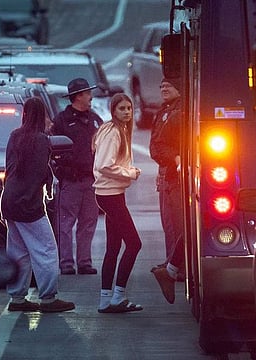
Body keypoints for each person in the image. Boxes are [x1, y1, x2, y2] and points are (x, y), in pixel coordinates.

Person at [1, 97, 75, 313]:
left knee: (18, 251)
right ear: (42, 115)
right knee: (47, 250)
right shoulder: (42, 140)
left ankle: (17, 298)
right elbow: (42, 172)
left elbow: (10, 168)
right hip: (29, 203)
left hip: (9, 200)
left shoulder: (14, 136)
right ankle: (49, 298)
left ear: (24, 114)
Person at [93, 93, 143, 313]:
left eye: (129, 108)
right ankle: (117, 296)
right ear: (113, 111)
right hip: (109, 194)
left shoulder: (117, 130)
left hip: (112, 193)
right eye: (121, 108)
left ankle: (107, 300)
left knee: (113, 247)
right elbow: (104, 164)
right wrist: (130, 173)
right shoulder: (113, 132)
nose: (126, 112)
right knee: (134, 244)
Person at [50, 78, 103, 275]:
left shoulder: (95, 120)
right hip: (71, 181)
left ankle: (84, 262)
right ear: (78, 96)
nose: (91, 97)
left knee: (88, 222)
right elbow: (53, 150)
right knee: (66, 224)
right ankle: (66, 263)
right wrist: (62, 171)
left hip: (91, 180)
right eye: (87, 93)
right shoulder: (61, 121)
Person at [149, 77, 185, 284]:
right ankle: (172, 261)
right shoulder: (166, 110)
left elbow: (163, 144)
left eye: (168, 86)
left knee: (177, 222)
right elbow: (157, 144)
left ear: (179, 90)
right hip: (167, 171)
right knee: (168, 221)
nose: (163, 89)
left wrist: (174, 159)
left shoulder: (178, 113)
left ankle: (177, 264)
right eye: (161, 86)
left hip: (175, 173)